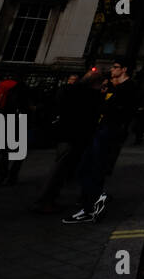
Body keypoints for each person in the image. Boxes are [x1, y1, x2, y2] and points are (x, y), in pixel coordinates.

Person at [64, 60, 140, 224]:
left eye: (115, 67)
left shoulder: (129, 88)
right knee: (85, 169)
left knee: (94, 169)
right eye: (112, 67)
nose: (112, 70)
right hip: (100, 131)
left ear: (124, 69)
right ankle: (93, 200)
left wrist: (107, 107)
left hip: (110, 132)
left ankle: (90, 207)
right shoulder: (114, 87)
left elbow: (122, 111)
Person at [32, 71, 105, 213]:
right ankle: (43, 201)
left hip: (64, 135)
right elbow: (92, 118)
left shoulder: (69, 90)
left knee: (61, 169)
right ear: (97, 83)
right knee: (59, 170)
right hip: (76, 137)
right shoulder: (92, 96)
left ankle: (49, 200)